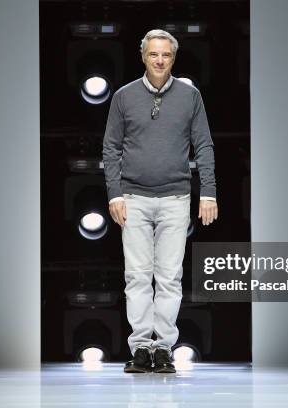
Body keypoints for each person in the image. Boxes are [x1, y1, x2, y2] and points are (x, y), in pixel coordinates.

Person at [102, 29, 218, 373]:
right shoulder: (123, 97)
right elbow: (110, 148)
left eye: (166, 55)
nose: (159, 60)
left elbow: (205, 145)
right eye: (153, 54)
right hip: (133, 197)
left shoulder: (189, 96)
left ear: (173, 58)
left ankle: (163, 348)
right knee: (137, 276)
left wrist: (208, 191)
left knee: (169, 277)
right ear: (143, 56)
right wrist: (114, 193)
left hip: (176, 197)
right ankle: (140, 347)